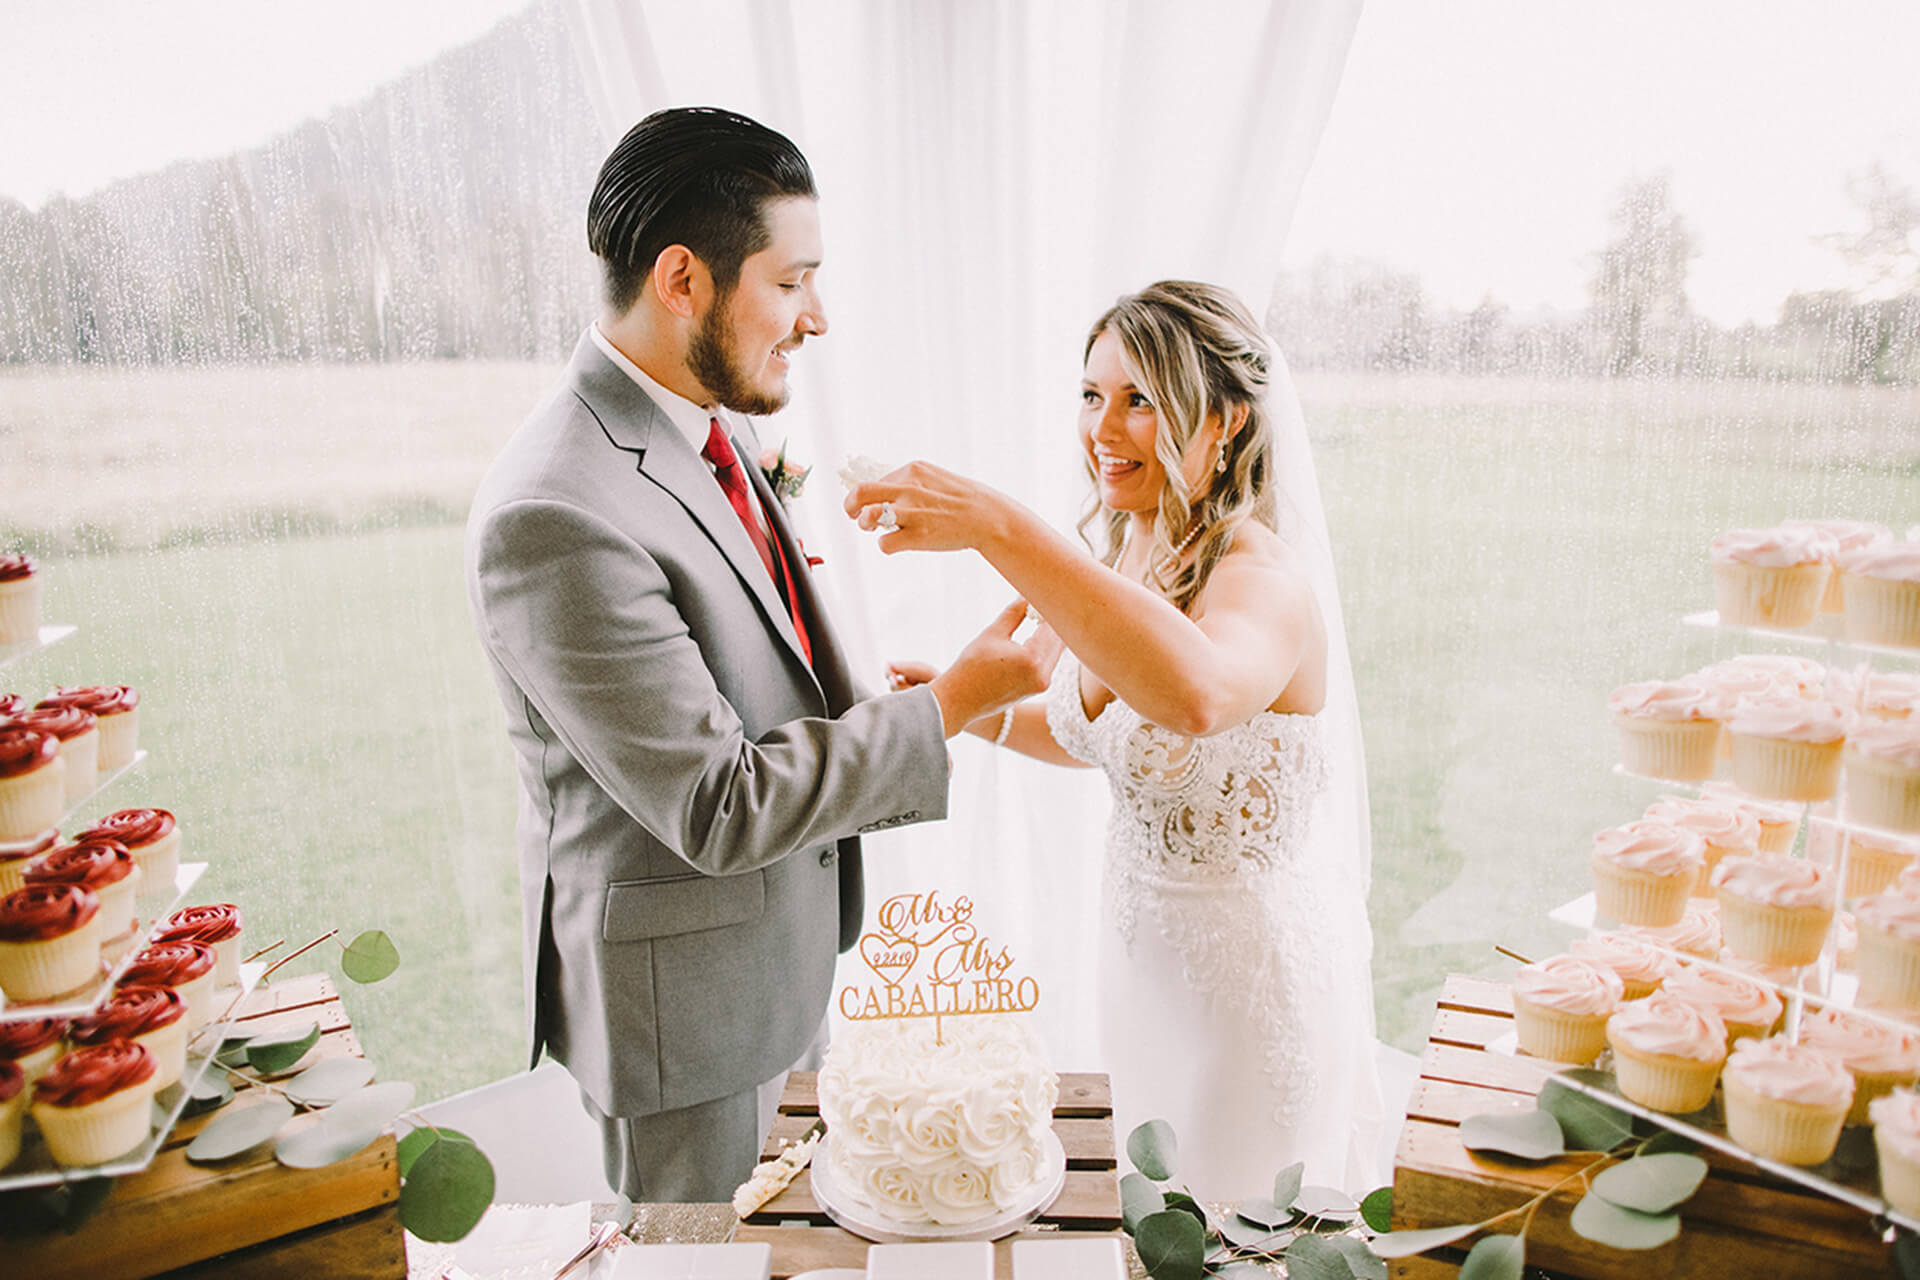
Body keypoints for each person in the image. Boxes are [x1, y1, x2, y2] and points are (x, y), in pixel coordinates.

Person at [463, 106, 1057, 1202]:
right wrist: (956, 705)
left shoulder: (711, 421)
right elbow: (718, 803)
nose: (816, 317)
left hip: (772, 969)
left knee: (795, 1248)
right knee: (699, 1269)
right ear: (682, 279)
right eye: (793, 282)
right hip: (682, 1029)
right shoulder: (553, 512)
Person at [846, 280, 1382, 1194]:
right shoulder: (1128, 555)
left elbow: (1198, 699)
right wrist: (961, 705)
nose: (1104, 426)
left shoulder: (1262, 582)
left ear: (1228, 422)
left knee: (1235, 1224)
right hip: (1142, 971)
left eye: (1141, 400)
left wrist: (1001, 527)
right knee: (1154, 1217)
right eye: (1093, 395)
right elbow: (1093, 733)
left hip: (1249, 996)